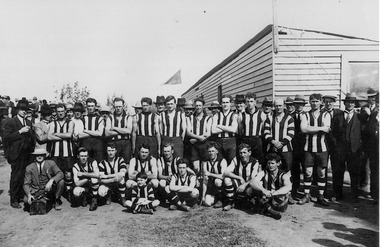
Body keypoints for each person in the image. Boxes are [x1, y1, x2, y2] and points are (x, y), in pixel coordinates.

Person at [298, 93, 331, 206]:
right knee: (308, 172)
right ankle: (306, 195)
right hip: (308, 147)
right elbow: (303, 129)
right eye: (312, 101)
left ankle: (320, 196)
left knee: (321, 172)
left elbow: (326, 129)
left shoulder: (326, 114)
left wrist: (310, 128)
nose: (315, 103)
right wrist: (321, 128)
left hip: (322, 148)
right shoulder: (305, 115)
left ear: (321, 102)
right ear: (309, 102)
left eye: (317, 101)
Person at [3, 98, 35, 208]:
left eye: (25, 109)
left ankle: (22, 195)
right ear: (17, 110)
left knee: (25, 176)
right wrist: (20, 132)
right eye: (22, 109)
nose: (24, 111)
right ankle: (14, 199)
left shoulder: (29, 122)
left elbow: (32, 138)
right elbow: (6, 138)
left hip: (27, 154)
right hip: (16, 154)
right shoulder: (11, 122)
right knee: (16, 176)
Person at [330, 93, 362, 202]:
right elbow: (332, 133)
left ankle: (354, 195)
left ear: (354, 104)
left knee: (354, 172)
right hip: (340, 149)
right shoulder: (337, 117)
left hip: (354, 149)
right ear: (344, 103)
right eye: (348, 102)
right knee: (338, 171)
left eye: (352, 102)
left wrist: (359, 145)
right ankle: (337, 194)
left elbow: (363, 133)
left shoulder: (359, 117)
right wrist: (336, 144)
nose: (350, 104)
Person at [249, 153, 292, 220]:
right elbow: (252, 182)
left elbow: (288, 187)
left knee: (281, 196)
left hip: (277, 201)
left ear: (278, 164)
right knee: (256, 187)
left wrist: (273, 193)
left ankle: (265, 209)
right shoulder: (264, 172)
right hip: (267, 198)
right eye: (268, 163)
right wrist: (263, 190)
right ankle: (270, 211)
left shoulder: (283, 175)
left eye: (272, 163)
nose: (270, 165)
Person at [47, 103, 75, 202]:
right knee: (55, 174)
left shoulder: (70, 122)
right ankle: (56, 196)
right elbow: (49, 137)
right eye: (58, 112)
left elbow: (69, 135)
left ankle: (69, 194)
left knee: (68, 174)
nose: (60, 113)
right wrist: (63, 136)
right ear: (56, 112)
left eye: (62, 111)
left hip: (68, 153)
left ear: (65, 112)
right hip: (55, 153)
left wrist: (56, 134)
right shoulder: (52, 123)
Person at [223, 143, 260, 211]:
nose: (242, 155)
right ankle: (230, 202)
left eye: (244, 152)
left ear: (249, 153)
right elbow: (226, 172)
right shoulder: (236, 159)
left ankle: (249, 202)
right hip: (239, 183)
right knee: (227, 179)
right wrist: (239, 178)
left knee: (255, 186)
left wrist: (244, 185)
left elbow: (254, 178)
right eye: (240, 153)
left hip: (249, 184)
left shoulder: (255, 162)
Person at [263, 98, 295, 172]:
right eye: (276, 106)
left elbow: (291, 134)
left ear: (284, 106)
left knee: (286, 170)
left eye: (280, 105)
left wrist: (281, 144)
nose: (278, 108)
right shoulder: (269, 118)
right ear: (274, 106)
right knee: (271, 169)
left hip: (286, 149)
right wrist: (274, 142)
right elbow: (266, 133)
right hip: (272, 148)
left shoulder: (289, 118)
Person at [238, 92, 266, 164]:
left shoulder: (261, 114)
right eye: (247, 101)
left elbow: (263, 129)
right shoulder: (242, 115)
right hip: (245, 140)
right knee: (245, 160)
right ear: (245, 103)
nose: (249, 103)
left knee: (258, 160)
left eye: (251, 101)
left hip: (256, 140)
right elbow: (240, 129)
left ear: (255, 102)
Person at [186, 97, 212, 175]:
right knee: (195, 167)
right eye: (196, 105)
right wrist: (199, 138)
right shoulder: (190, 118)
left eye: (200, 105)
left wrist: (196, 139)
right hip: (194, 145)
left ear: (203, 106)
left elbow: (208, 133)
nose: (198, 107)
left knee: (204, 167)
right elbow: (188, 132)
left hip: (204, 144)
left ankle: (204, 184)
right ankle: (196, 183)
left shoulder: (208, 118)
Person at [105, 98, 133, 165]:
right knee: (114, 163)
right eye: (116, 107)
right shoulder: (110, 118)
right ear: (114, 107)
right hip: (114, 143)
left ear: (123, 106)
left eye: (120, 106)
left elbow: (129, 131)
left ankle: (126, 175)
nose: (118, 108)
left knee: (126, 162)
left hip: (126, 142)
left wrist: (114, 128)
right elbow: (107, 133)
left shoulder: (128, 117)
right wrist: (123, 130)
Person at [211, 94, 238, 163]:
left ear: (230, 103)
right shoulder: (217, 115)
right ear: (221, 104)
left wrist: (219, 126)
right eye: (223, 102)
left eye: (227, 102)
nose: (225, 104)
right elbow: (213, 130)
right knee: (220, 162)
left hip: (230, 141)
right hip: (219, 141)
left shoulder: (234, 115)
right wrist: (228, 128)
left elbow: (234, 129)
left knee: (231, 162)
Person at [289, 95, 307, 198]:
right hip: (293, 146)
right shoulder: (289, 116)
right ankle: (294, 189)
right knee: (294, 169)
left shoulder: (307, 116)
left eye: (301, 104)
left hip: (305, 146)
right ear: (294, 105)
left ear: (303, 105)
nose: (299, 106)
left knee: (306, 169)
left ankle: (306, 191)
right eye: (297, 104)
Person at [201, 141, 228, 208]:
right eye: (209, 151)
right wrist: (203, 196)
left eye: (213, 151)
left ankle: (221, 199)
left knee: (218, 181)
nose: (211, 153)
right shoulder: (205, 162)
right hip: (212, 188)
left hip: (221, 186)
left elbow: (222, 176)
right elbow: (205, 181)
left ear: (217, 151)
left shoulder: (222, 161)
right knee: (207, 203)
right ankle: (215, 199)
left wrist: (210, 174)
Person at [78, 98, 104, 162]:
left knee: (98, 163)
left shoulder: (99, 118)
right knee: (86, 163)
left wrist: (86, 131)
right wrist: (94, 133)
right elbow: (80, 135)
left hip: (97, 145)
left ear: (95, 107)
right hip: (86, 144)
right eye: (89, 106)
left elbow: (100, 133)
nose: (90, 108)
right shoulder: (82, 119)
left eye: (92, 106)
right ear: (86, 107)